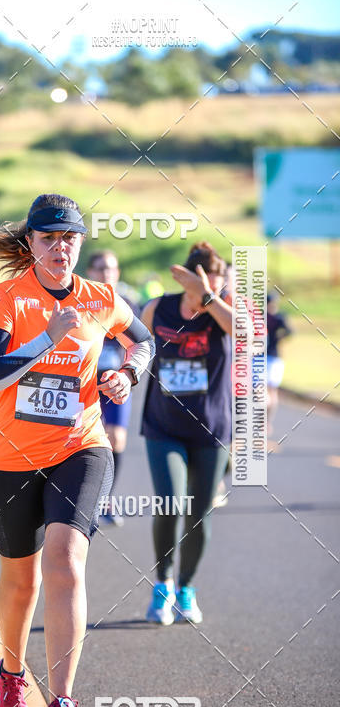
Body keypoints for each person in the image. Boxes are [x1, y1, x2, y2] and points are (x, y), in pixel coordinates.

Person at [0, 193, 154, 707]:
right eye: (48, 238)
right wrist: (46, 338)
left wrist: (128, 374)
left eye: (69, 238)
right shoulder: (9, 298)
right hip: (8, 461)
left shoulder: (102, 297)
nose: (59, 248)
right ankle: (10, 674)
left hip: (80, 447)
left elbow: (143, 342)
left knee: (66, 559)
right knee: (20, 581)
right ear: (30, 243)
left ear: (80, 242)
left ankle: (62, 702)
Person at [140, 241, 232, 626]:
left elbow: (245, 334)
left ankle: (186, 587)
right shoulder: (157, 308)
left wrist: (208, 297)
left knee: (199, 514)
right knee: (170, 504)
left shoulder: (225, 310)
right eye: (208, 281)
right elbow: (135, 346)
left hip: (211, 431)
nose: (214, 288)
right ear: (189, 278)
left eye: (219, 283)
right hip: (164, 426)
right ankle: (162, 583)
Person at [86, 250, 136, 526]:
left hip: (115, 381)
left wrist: (129, 372)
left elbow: (140, 343)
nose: (107, 273)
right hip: (83, 383)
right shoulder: (79, 301)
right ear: (90, 272)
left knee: (116, 438)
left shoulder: (127, 304)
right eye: (101, 268)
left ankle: (105, 499)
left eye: (112, 269)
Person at [266, 292, 292, 436]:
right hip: (268, 357)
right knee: (269, 392)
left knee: (268, 392)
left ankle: (265, 422)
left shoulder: (265, 317)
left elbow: (289, 332)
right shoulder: (278, 318)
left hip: (270, 357)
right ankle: (266, 423)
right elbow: (289, 332)